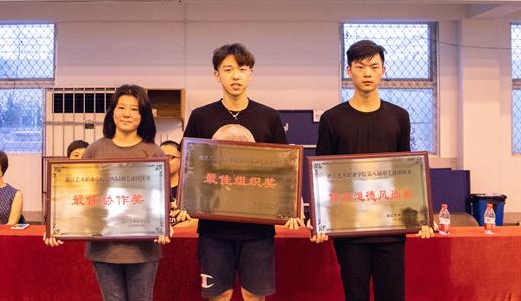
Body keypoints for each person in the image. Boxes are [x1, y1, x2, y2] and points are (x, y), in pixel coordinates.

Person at [313, 39, 433, 301]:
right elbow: (322, 172)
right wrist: (321, 220)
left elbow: (406, 171)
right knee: (354, 295)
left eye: (374, 67)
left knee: (392, 295)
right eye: (360, 67)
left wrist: (421, 218)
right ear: (349, 71)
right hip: (350, 228)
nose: (367, 73)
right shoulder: (332, 119)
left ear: (383, 70)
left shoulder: (399, 116)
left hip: (390, 228)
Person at [183, 43, 301, 301]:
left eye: (242, 69)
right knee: (219, 295)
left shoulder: (269, 117)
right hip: (213, 229)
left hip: (258, 230)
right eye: (228, 69)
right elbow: (189, 168)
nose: (235, 76)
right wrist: (185, 202)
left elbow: (285, 171)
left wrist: (292, 207)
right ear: (217, 75)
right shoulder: (201, 116)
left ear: (251, 74)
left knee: (253, 295)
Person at [44, 84, 172, 301]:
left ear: (143, 116)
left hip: (143, 251)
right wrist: (53, 225)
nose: (127, 114)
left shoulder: (154, 153)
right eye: (121, 107)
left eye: (134, 109)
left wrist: (163, 224)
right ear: (112, 112)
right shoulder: (94, 150)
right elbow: (74, 195)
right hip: (104, 249)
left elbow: (161, 201)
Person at [160, 140, 194, 228]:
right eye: (160, 157)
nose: (164, 160)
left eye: (170, 157)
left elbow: (196, 220)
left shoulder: (191, 189)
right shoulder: (152, 188)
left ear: (182, 159)